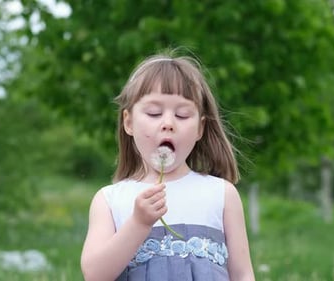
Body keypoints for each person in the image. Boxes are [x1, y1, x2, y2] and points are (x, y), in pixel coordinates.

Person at [81, 51, 255, 281]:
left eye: (182, 115)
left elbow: (242, 274)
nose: (168, 124)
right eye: (154, 113)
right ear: (128, 122)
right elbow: (94, 274)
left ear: (200, 129)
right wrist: (138, 224)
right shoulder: (110, 200)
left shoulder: (222, 194)